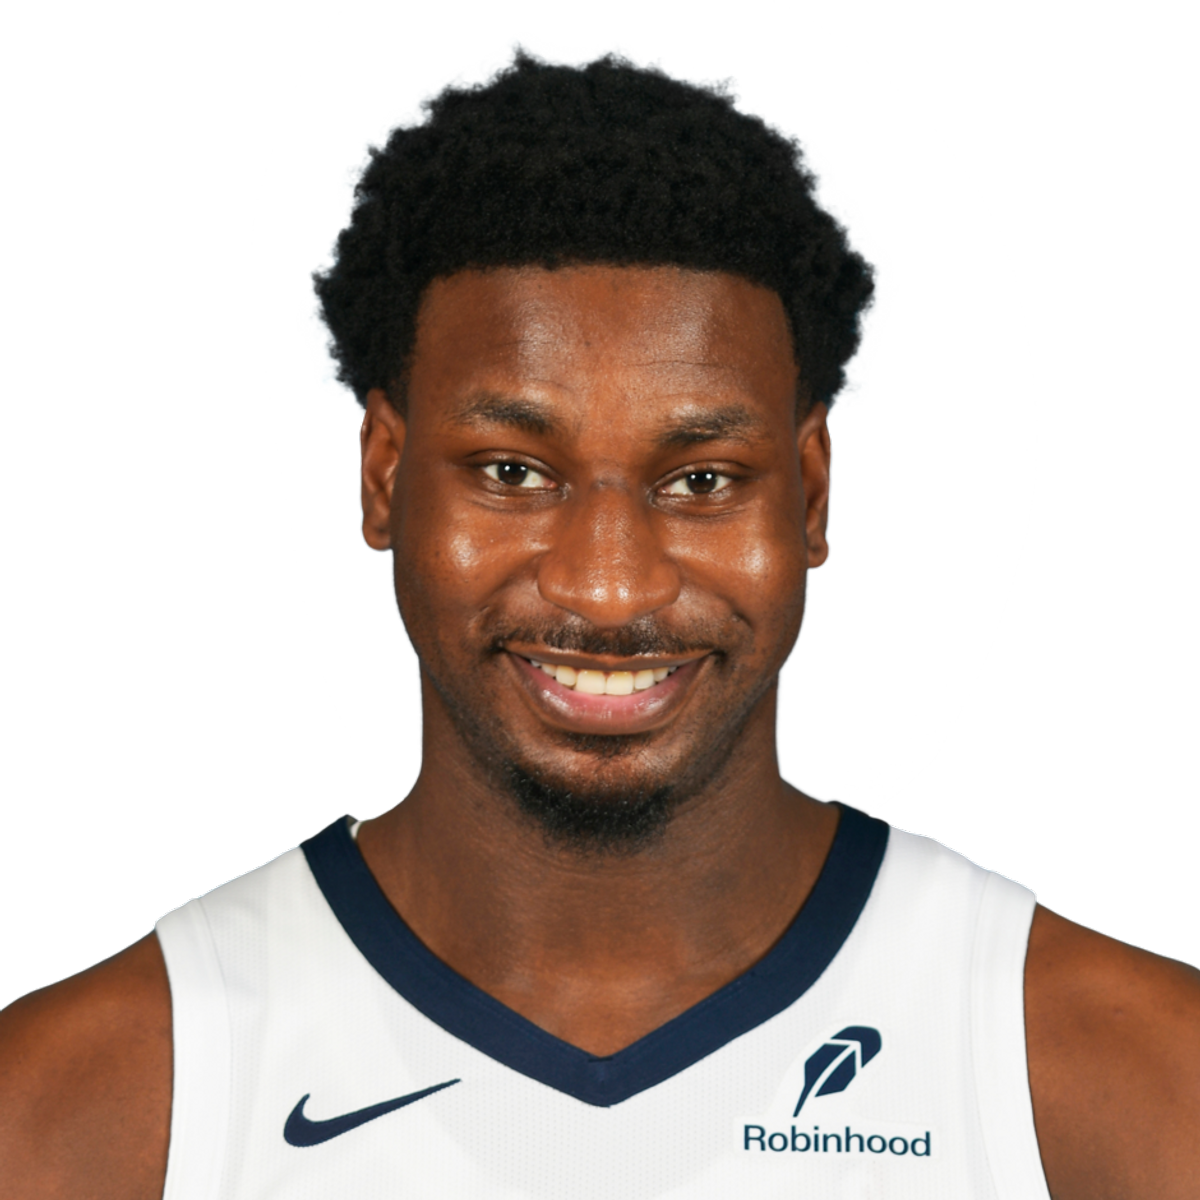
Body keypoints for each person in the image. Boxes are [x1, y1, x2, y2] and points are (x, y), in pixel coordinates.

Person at [3, 36, 1197, 1200]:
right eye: (513, 471)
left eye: (701, 480)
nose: (610, 589)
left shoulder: (1115, 1077)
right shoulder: (97, 1103)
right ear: (382, 473)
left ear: (810, 495)